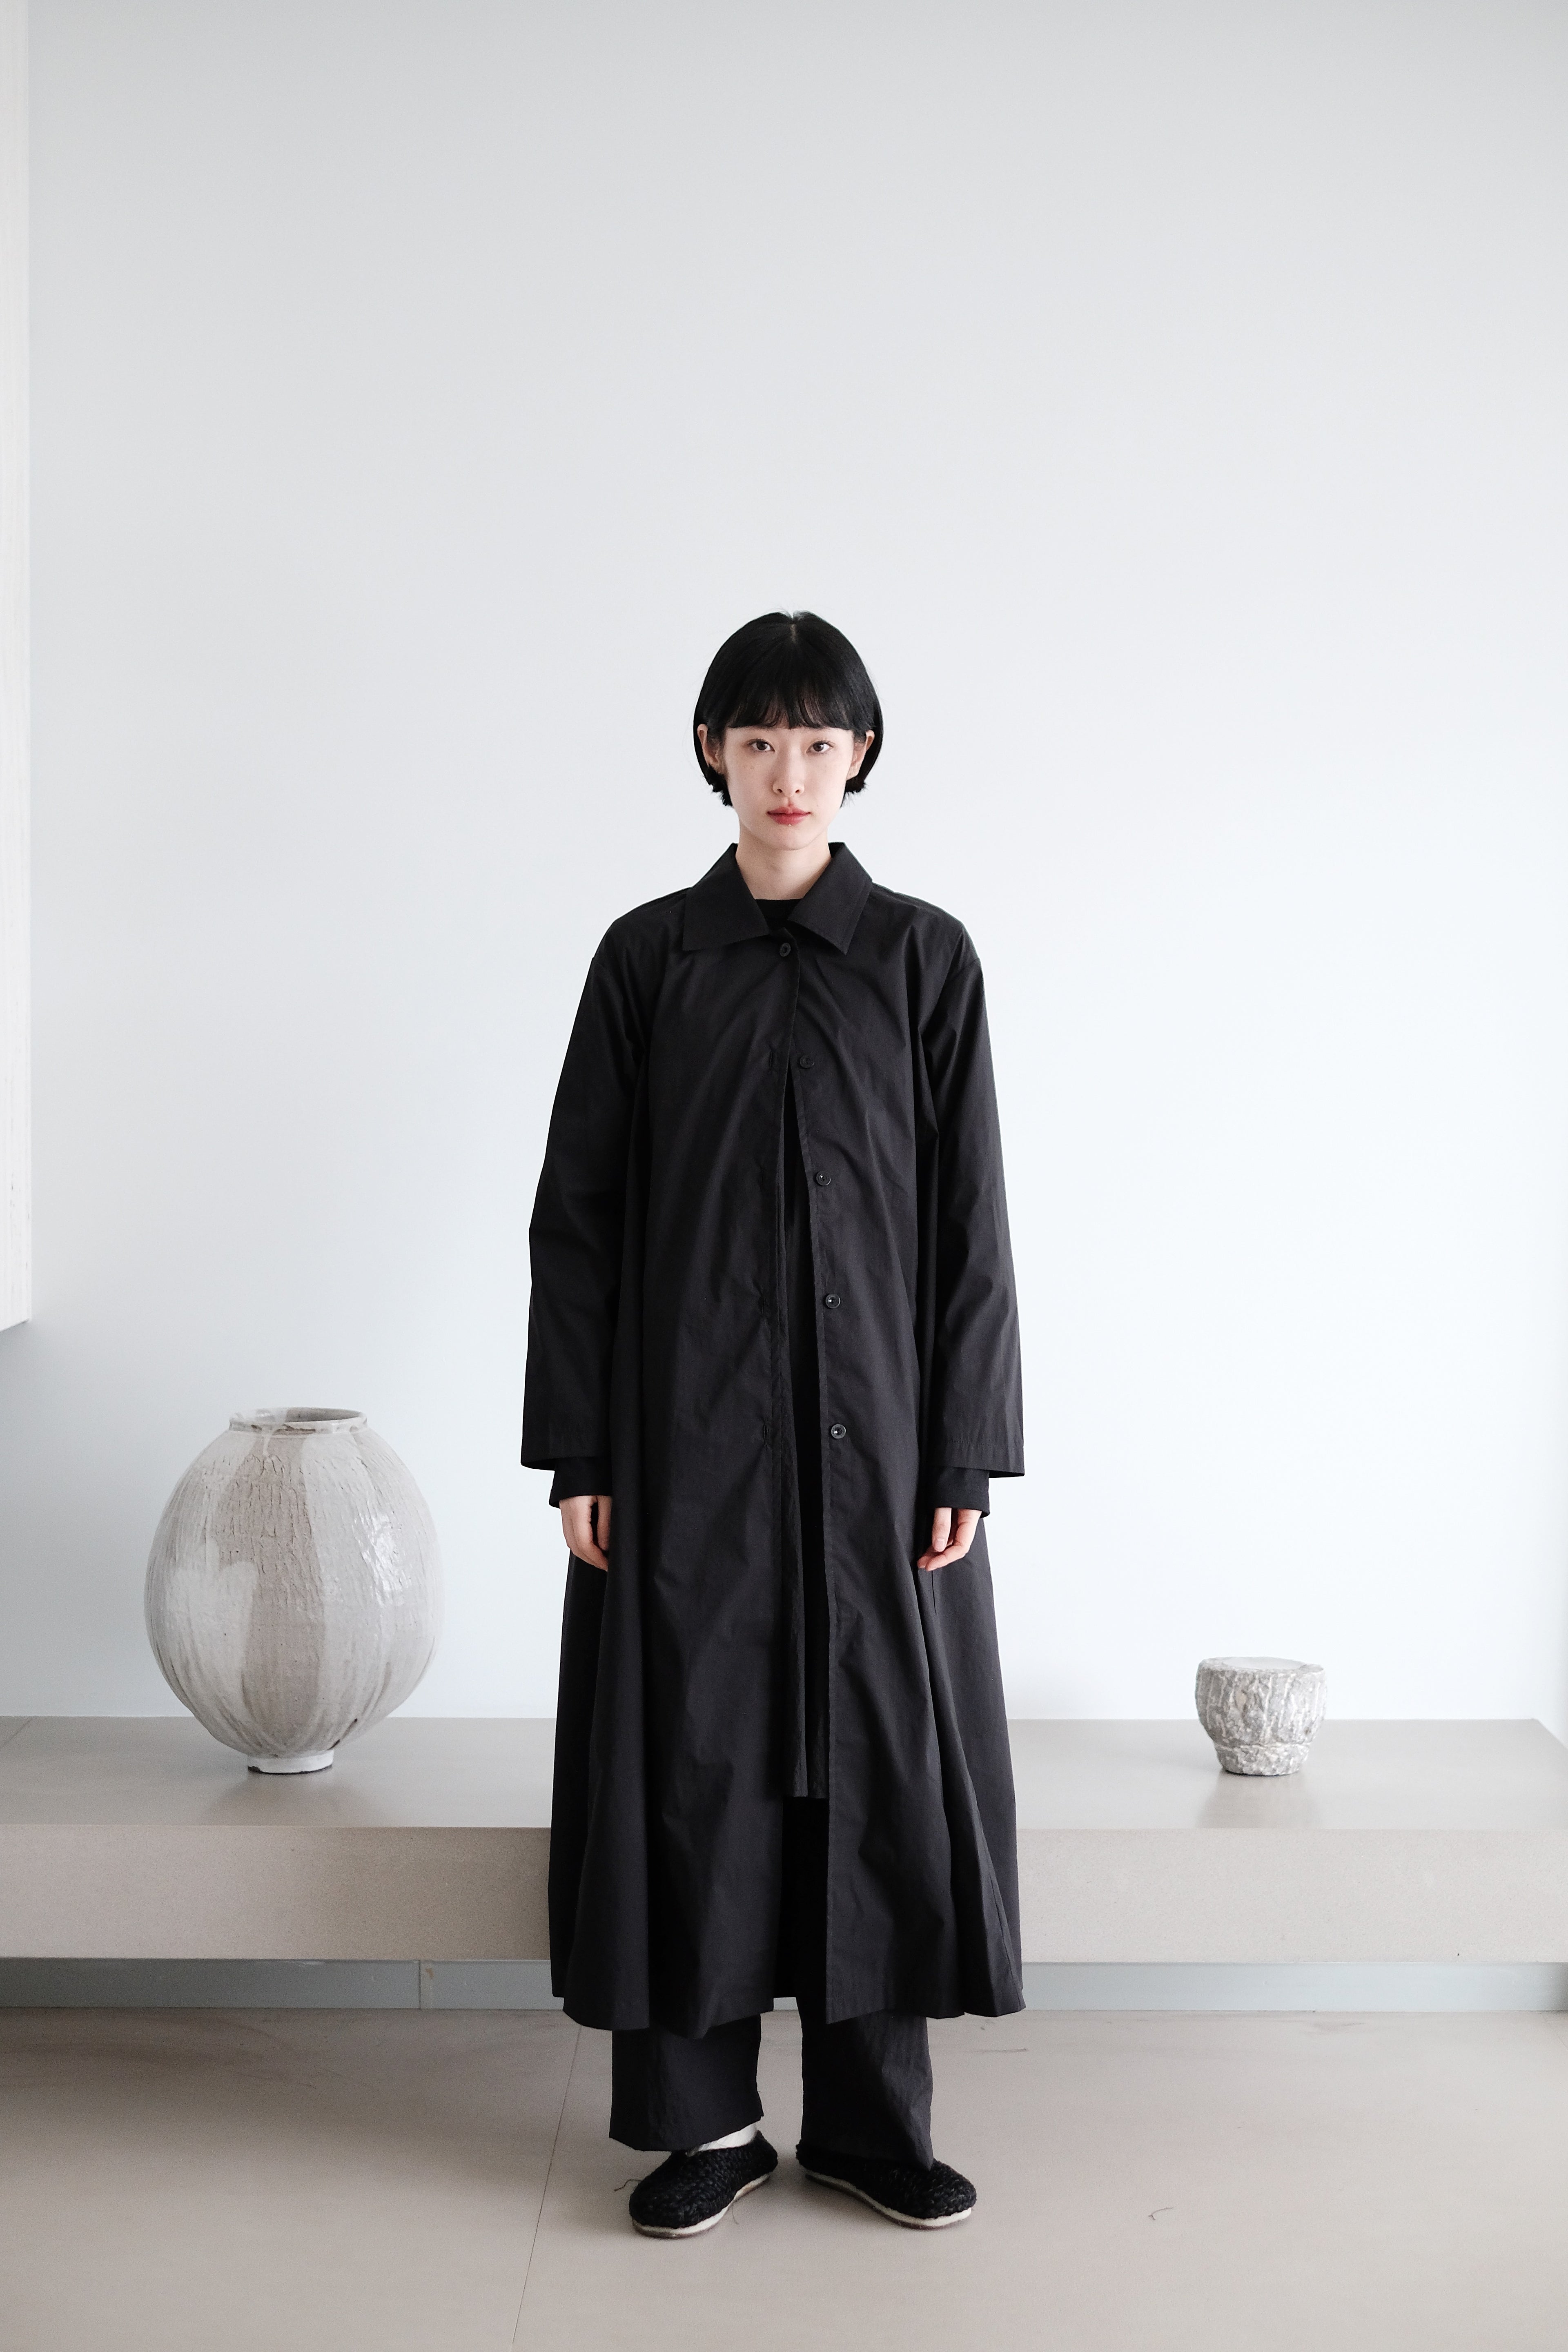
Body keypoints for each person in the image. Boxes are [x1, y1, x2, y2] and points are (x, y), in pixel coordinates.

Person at [522, 610, 1024, 2239]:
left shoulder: (925, 960)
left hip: (885, 1458)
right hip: (686, 1456)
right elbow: (578, 1220)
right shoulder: (648, 962)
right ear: (712, 755)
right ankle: (708, 2125)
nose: (788, 772)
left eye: (818, 741)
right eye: (758, 740)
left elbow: (972, 1225)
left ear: (860, 756)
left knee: (875, 1766)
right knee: (697, 1768)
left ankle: (874, 2129)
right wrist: (584, 1453)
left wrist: (963, 1449)